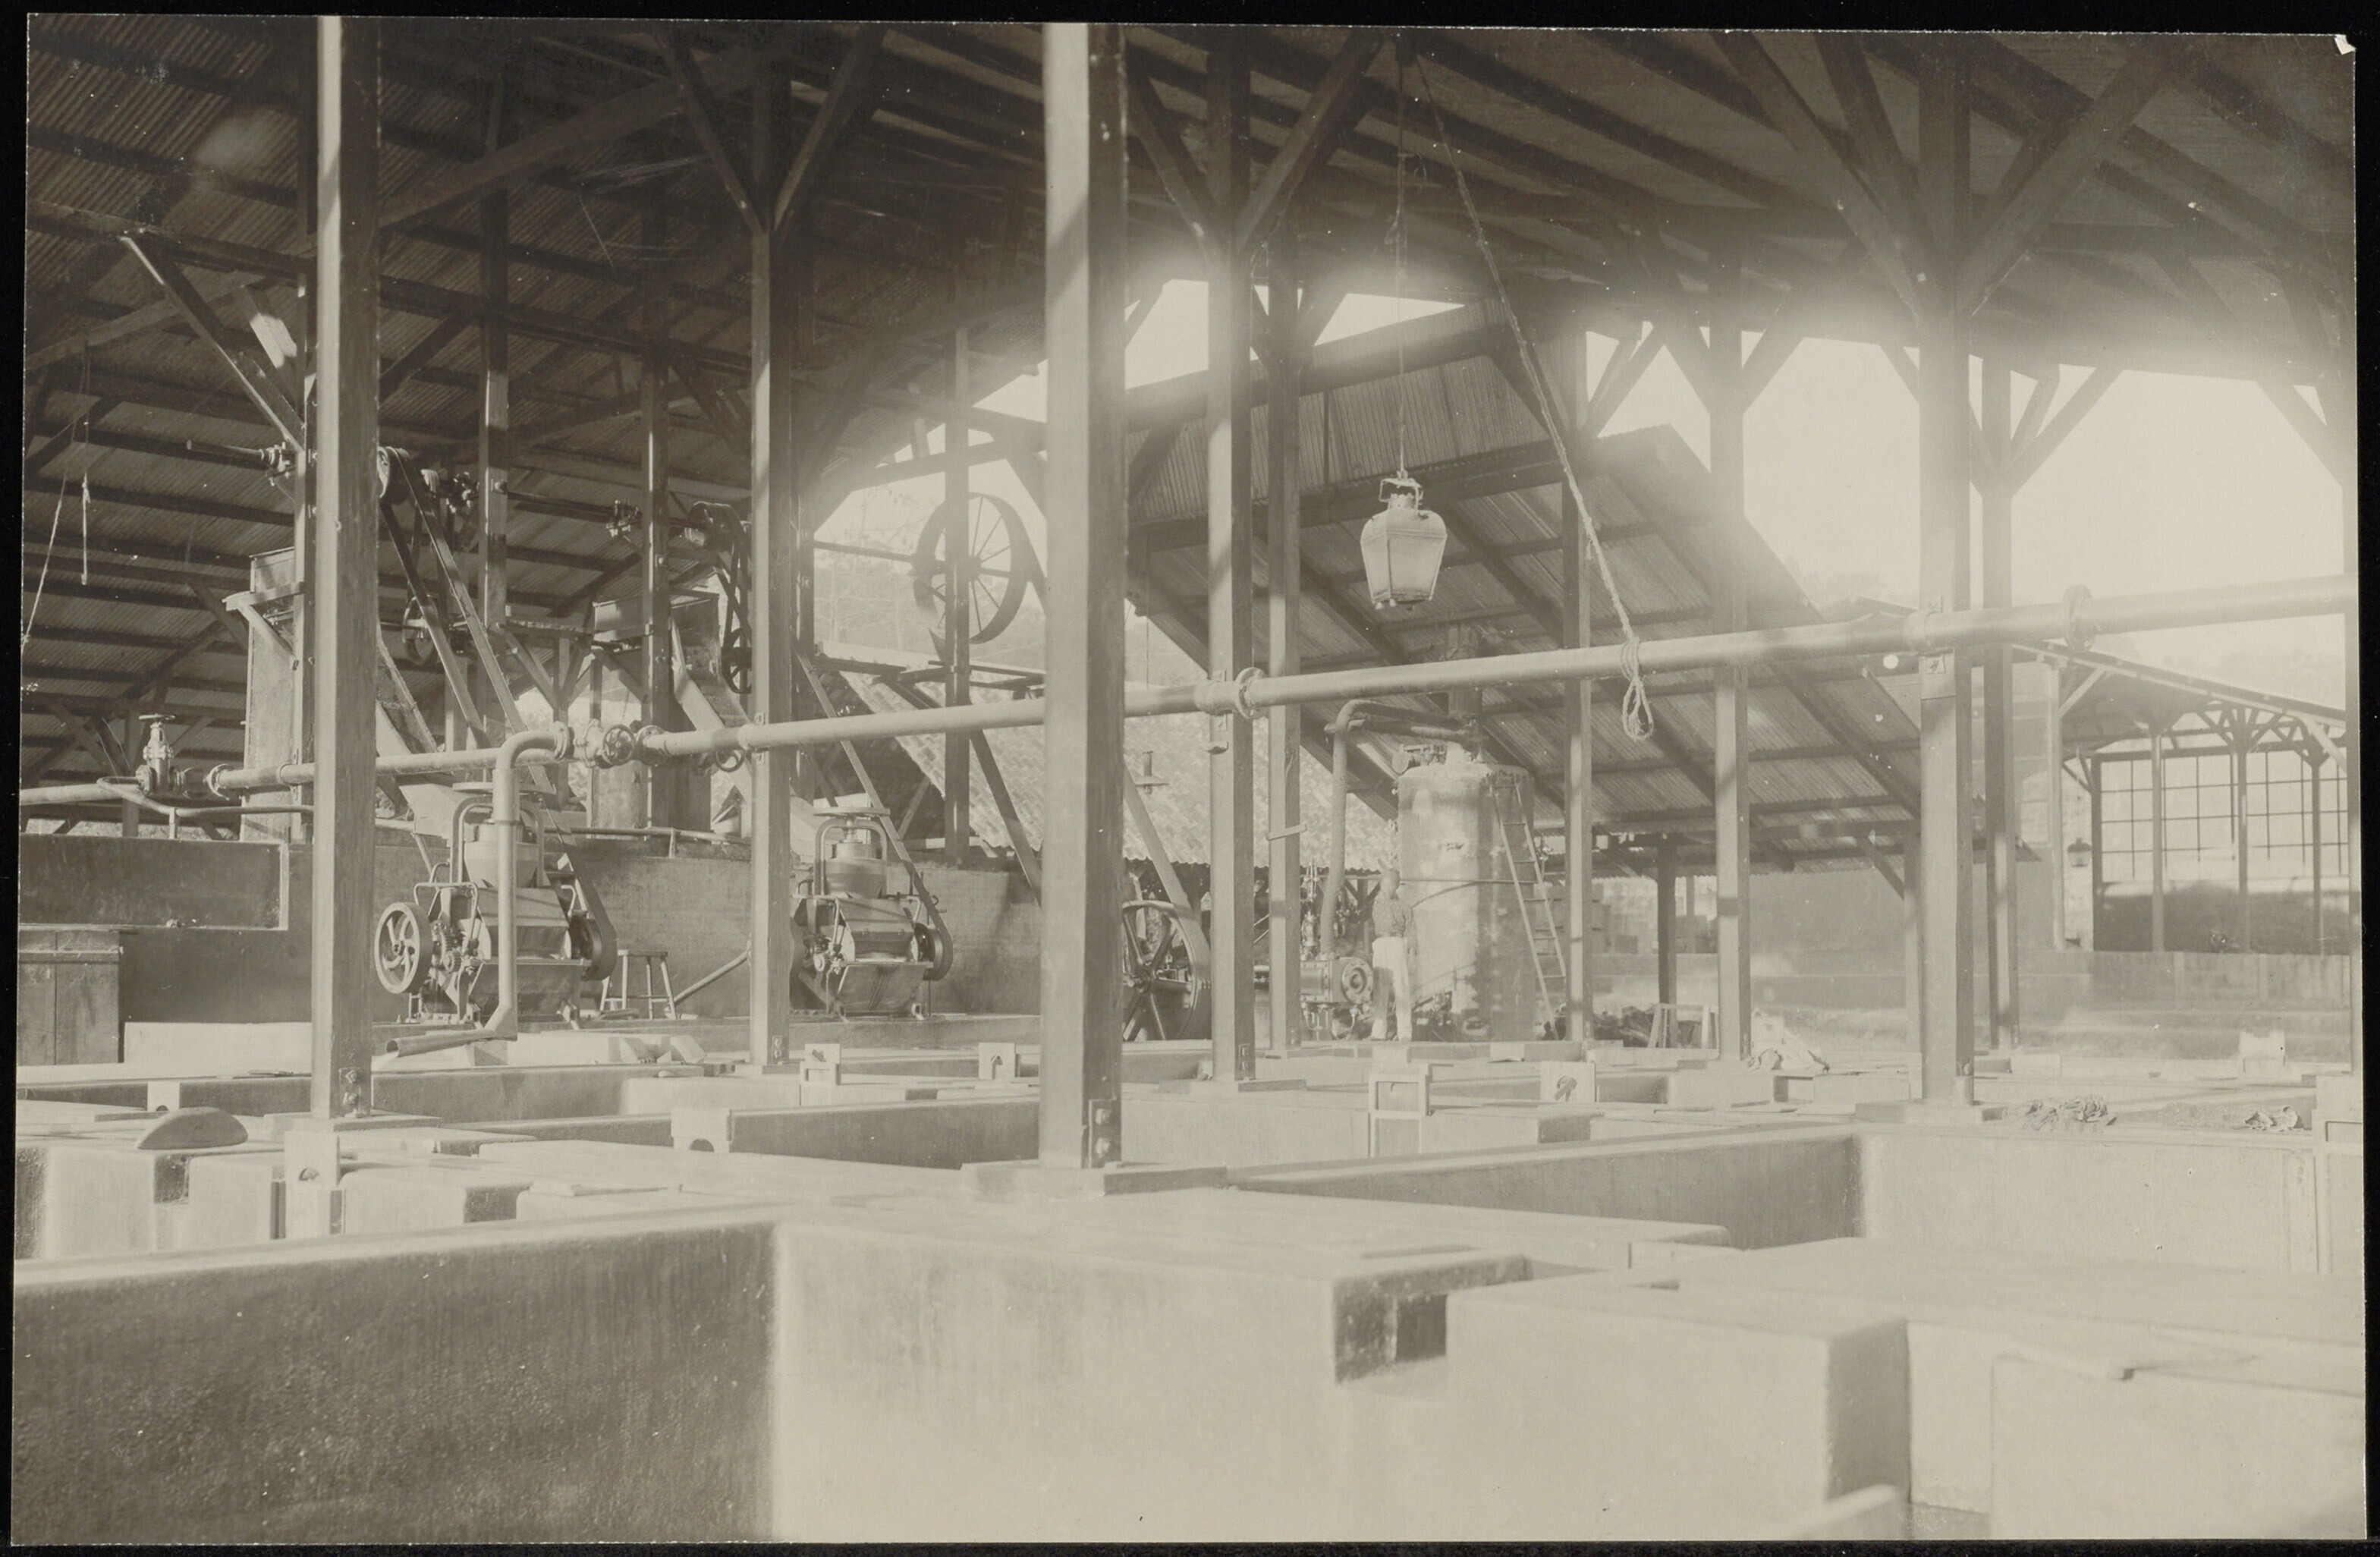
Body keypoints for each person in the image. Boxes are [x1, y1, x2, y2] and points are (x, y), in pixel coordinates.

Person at [1371, 867, 1412, 1043]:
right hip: (1381, 944)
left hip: (1397, 943)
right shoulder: (1376, 905)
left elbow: (1411, 931)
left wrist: (1411, 952)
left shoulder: (1405, 906)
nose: (1386, 888)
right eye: (1384, 884)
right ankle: (1378, 1031)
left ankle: (1405, 1032)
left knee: (1401, 988)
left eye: (1390, 884)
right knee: (1380, 989)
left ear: (1396, 886)